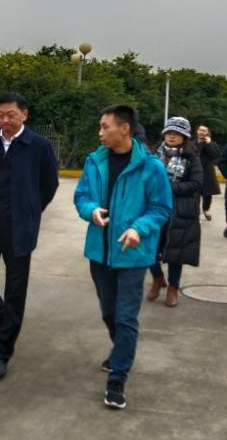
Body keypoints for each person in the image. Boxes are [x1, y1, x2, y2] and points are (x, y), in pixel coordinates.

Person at [74, 105, 172, 410]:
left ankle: (117, 379)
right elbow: (81, 196)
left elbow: (161, 208)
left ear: (125, 128)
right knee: (108, 312)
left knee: (126, 316)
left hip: (133, 255)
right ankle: (121, 352)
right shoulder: (94, 161)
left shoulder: (151, 167)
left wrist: (138, 229)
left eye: (105, 127)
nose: (100, 133)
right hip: (100, 252)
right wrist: (91, 210)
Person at [0, 92, 59, 382]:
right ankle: (9, 323)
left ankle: (1, 352)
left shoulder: (39, 146)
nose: (5, 120)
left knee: (15, 290)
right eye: (0, 115)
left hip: (19, 228)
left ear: (24, 115)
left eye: (11, 115)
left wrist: (30, 209)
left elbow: (49, 184)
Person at [147, 117, 203, 307]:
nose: (172, 136)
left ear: (184, 137)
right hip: (154, 207)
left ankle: (173, 287)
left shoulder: (191, 157)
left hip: (180, 210)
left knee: (176, 251)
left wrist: (168, 188)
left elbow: (196, 183)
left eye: (177, 133)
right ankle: (157, 278)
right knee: (149, 246)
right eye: (169, 132)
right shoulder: (153, 154)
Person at [195, 124, 221, 221]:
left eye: (204, 130)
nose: (201, 132)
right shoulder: (192, 142)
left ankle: (206, 210)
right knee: (195, 194)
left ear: (208, 133)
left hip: (207, 172)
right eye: (200, 130)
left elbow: (215, 155)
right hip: (194, 171)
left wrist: (208, 144)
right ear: (197, 131)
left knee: (207, 194)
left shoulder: (212, 144)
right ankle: (196, 214)